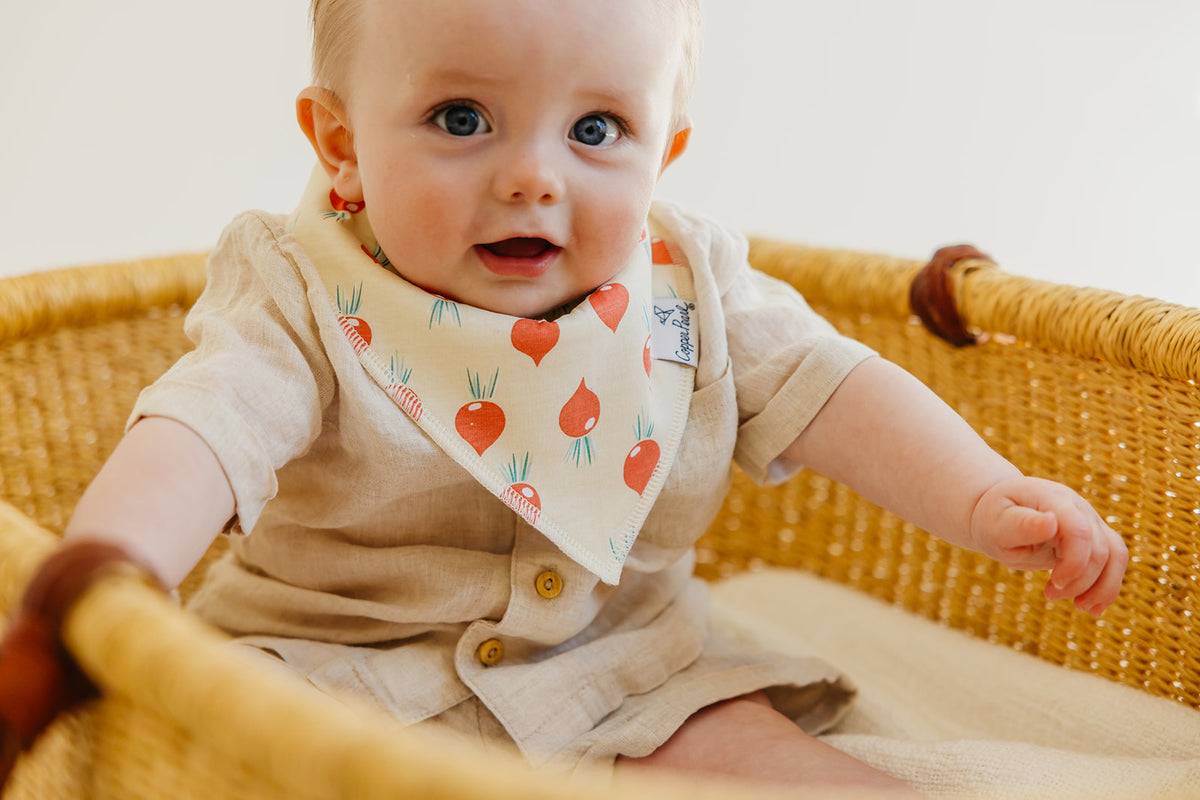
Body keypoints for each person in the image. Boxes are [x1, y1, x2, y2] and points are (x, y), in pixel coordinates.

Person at [17, 0, 1127, 795]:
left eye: (597, 131)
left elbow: (836, 386)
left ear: (663, 156)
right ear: (342, 147)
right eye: (463, 117)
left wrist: (988, 496)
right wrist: (95, 577)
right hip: (332, 674)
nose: (535, 176)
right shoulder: (301, 293)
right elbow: (205, 426)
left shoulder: (693, 285)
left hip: (627, 671)